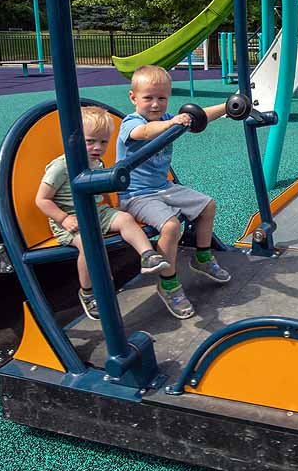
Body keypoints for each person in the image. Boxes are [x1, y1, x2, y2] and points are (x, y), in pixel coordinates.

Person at [35, 105, 170, 321]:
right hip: (70, 219)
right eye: (90, 141)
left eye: (103, 142)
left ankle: (147, 255)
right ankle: (87, 292)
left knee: (125, 218)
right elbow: (41, 199)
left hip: (97, 212)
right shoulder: (61, 167)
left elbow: (102, 192)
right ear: (74, 139)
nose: (98, 147)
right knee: (89, 245)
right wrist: (63, 218)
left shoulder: (97, 163)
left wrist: (112, 207)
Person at [117, 65, 230, 319]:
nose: (156, 104)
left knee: (207, 205)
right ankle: (168, 284)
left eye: (162, 98)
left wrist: (227, 106)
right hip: (136, 194)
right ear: (133, 98)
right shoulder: (132, 122)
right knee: (170, 227)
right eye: (148, 98)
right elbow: (144, 133)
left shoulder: (167, 119)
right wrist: (174, 122)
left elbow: (199, 116)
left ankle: (202, 257)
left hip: (163, 188)